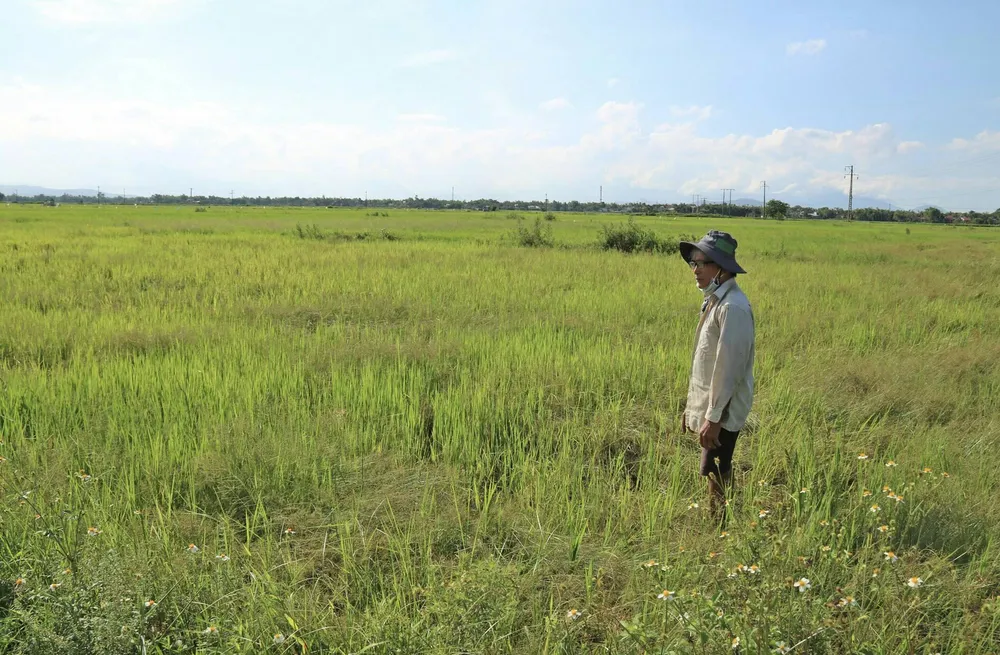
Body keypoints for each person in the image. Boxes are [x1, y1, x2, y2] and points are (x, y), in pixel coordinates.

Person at [679, 230, 755, 519]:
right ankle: (720, 521)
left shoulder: (732, 307)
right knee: (713, 467)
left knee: (717, 468)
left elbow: (728, 370)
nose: (695, 270)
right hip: (714, 406)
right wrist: (693, 408)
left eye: (701, 263)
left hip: (722, 409)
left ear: (721, 267)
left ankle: (720, 526)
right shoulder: (715, 298)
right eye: (693, 263)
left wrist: (713, 418)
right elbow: (707, 363)